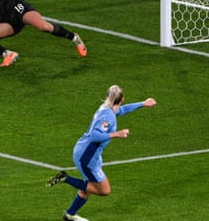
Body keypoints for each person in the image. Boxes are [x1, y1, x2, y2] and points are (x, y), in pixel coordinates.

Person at [46, 85, 157, 221]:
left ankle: (70, 214)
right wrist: (117, 134)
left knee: (89, 188)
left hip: (88, 153)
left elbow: (122, 110)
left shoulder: (106, 108)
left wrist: (143, 104)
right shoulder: (108, 116)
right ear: (122, 98)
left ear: (107, 97)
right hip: (87, 157)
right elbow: (95, 136)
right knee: (104, 190)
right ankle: (65, 178)